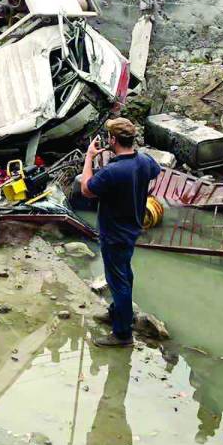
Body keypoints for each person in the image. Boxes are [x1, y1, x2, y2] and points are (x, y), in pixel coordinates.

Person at [80, 117, 161, 347]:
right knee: (125, 274)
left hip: (114, 233)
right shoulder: (144, 161)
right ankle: (118, 312)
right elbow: (155, 173)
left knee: (118, 281)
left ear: (112, 140)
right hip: (132, 229)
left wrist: (89, 157)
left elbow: (86, 189)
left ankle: (123, 334)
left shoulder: (112, 171)